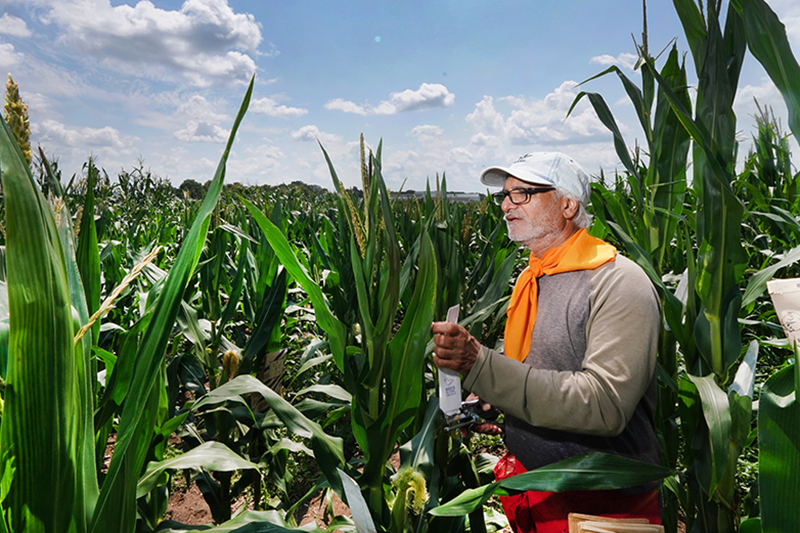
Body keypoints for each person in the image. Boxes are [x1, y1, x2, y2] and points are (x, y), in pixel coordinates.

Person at [431, 151, 662, 533]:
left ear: (568, 205)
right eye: (504, 195)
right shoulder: (533, 278)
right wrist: (495, 400)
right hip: (532, 485)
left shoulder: (618, 283)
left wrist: (481, 366)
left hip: (601, 505)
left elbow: (604, 404)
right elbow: (543, 372)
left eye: (522, 193)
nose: (505, 205)